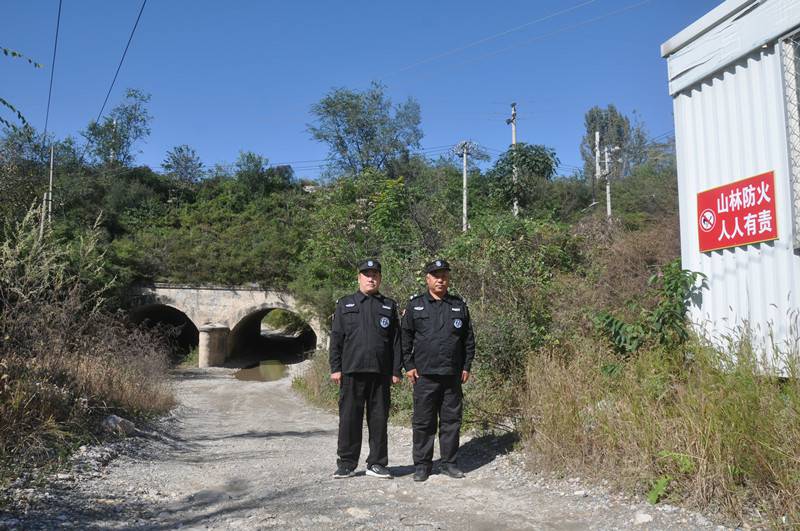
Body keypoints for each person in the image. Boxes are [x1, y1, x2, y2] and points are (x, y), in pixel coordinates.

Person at [402, 259, 475, 482]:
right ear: (428, 279)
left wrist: (466, 366)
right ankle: (422, 465)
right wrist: (409, 365)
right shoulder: (415, 305)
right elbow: (405, 338)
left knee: (451, 421)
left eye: (444, 276)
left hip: (452, 375)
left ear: (448, 279)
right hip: (424, 375)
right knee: (423, 422)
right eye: (436, 276)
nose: (440, 280)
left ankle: (449, 463)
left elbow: (468, 340)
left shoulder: (458, 306)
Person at [329, 259, 402, 479]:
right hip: (352, 371)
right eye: (366, 274)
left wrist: (396, 370)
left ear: (380, 278)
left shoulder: (389, 306)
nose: (371, 278)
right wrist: (335, 368)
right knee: (349, 419)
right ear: (359, 277)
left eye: (375, 274)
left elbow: (396, 341)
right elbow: (336, 338)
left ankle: (377, 463)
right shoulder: (345, 304)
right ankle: (346, 464)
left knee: (378, 420)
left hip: (380, 373)